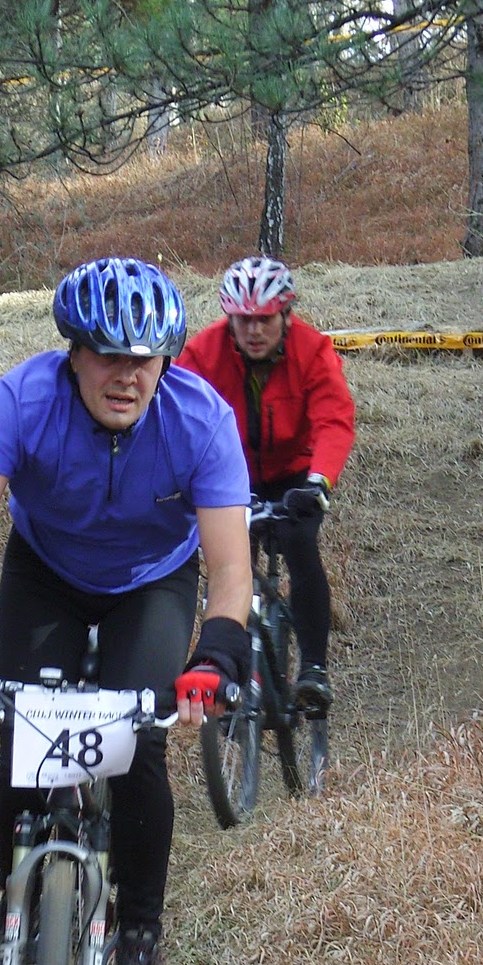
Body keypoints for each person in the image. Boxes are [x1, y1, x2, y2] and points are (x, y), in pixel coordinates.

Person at [0, 256, 253, 965]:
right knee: (25, 737)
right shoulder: (22, 400)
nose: (127, 376)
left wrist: (216, 654)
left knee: (139, 745)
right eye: (107, 355)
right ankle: (16, 907)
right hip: (47, 572)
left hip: (152, 581)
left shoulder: (201, 420)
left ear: (167, 360)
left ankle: (140, 933)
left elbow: (231, 568)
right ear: (73, 353)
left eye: (144, 359)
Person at [177, 255, 356, 715]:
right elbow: (178, 416)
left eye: (265, 320)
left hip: (295, 474)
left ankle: (313, 669)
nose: (254, 331)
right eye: (243, 321)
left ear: (285, 316)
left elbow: (334, 420)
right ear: (229, 320)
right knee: (230, 565)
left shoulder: (312, 351)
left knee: (300, 544)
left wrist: (319, 482)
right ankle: (231, 672)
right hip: (229, 476)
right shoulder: (203, 353)